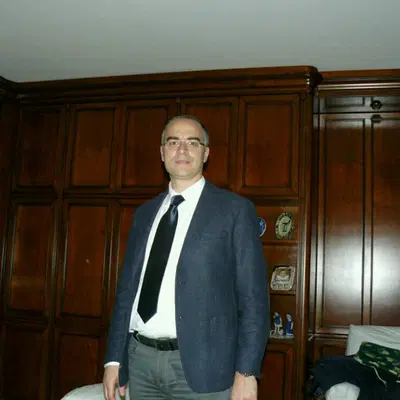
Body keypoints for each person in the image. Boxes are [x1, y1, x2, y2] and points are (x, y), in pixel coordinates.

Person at [103, 115, 270, 400]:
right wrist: (114, 359)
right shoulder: (144, 214)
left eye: (193, 143)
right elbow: (127, 290)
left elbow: (254, 299)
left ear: (206, 153)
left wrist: (246, 372)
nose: (182, 150)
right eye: (173, 142)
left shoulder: (234, 210)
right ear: (162, 153)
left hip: (205, 368)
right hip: (140, 362)